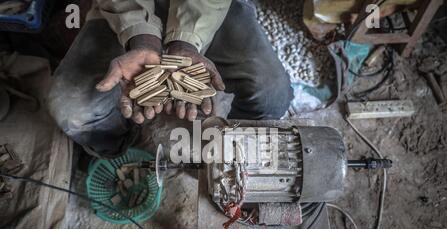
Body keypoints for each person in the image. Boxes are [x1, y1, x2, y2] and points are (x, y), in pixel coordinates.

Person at [48, 0, 293, 158]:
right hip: (122, 8)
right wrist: (141, 37)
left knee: (271, 92)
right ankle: (121, 147)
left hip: (209, 7)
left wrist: (184, 41)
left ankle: (233, 147)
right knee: (73, 110)